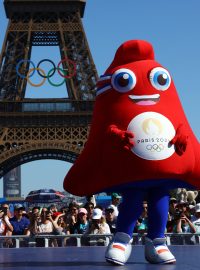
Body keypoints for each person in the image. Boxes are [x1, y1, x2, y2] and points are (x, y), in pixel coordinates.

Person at [63, 40, 200, 265]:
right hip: (133, 167)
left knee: (160, 198)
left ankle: (157, 240)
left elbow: (180, 122)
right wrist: (115, 134)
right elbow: (107, 128)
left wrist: (182, 136)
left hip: (161, 169)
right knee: (134, 197)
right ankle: (122, 239)